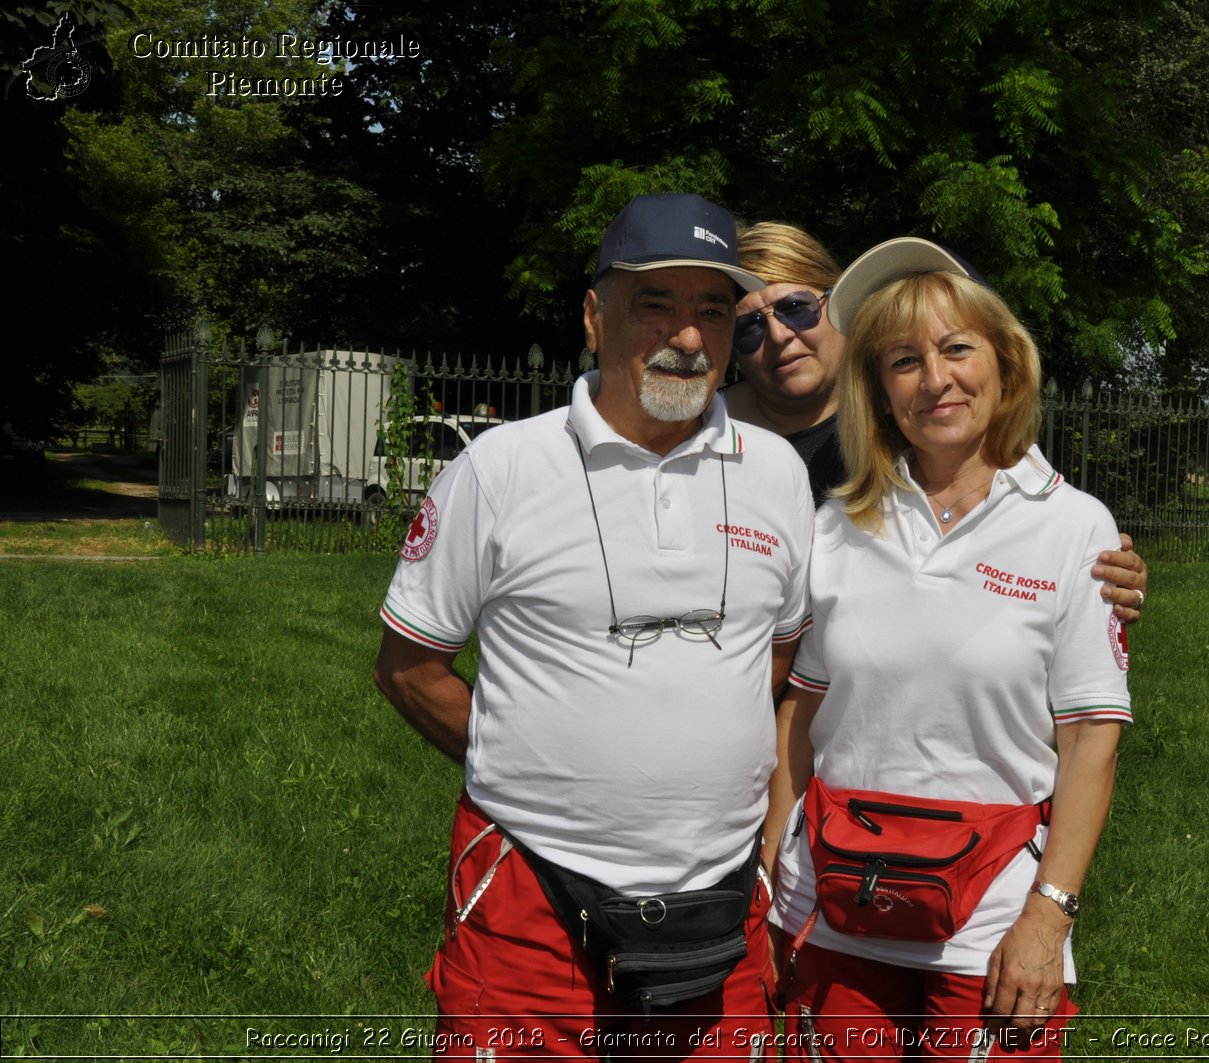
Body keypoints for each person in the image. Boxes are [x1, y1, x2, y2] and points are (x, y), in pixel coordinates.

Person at [373, 193, 814, 1059]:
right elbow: (408, 666)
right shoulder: (501, 469)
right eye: (656, 304)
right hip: (529, 901)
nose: (688, 336)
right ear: (594, 317)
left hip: (720, 909)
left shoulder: (776, 474)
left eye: (713, 311)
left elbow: (781, 650)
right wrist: (532, 760)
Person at [762, 238, 1133, 1058]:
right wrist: (768, 890)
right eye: (903, 361)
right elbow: (801, 716)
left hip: (993, 933)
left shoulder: (1077, 529)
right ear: (878, 392)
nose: (936, 380)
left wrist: (1050, 913)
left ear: (1005, 364)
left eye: (957, 348)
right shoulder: (837, 526)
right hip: (832, 919)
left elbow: (1090, 741)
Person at [726, 221, 1150, 621]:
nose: (779, 336)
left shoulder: (919, 421)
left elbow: (1022, 521)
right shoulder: (704, 437)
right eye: (749, 327)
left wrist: (1096, 569)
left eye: (795, 308)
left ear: (835, 303)